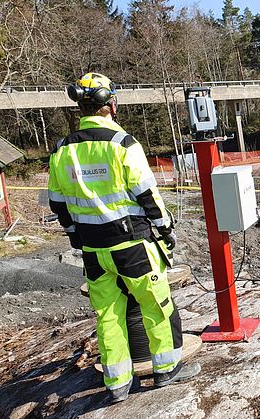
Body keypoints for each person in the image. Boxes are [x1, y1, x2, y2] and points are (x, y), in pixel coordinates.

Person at [48, 72, 200, 403]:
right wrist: (164, 227)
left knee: (107, 314)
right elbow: (145, 193)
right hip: (133, 245)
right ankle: (167, 369)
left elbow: (57, 202)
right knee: (157, 305)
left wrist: (75, 234)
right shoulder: (122, 145)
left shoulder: (62, 150)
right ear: (111, 104)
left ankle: (117, 383)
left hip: (93, 248)